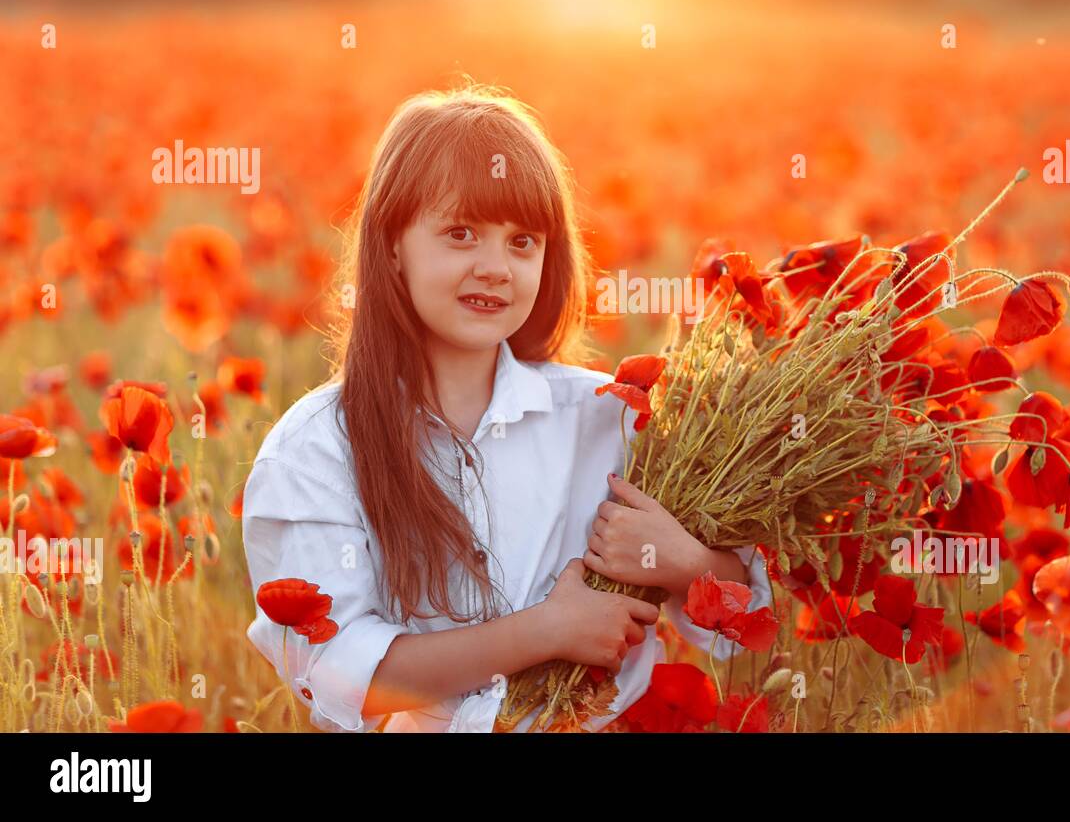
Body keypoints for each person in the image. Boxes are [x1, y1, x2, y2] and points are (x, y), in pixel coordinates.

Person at [241, 83, 773, 732]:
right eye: (461, 233)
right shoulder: (318, 450)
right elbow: (340, 673)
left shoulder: (607, 417)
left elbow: (748, 617)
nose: (496, 267)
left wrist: (684, 560)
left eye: (523, 242)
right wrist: (546, 632)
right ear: (391, 247)